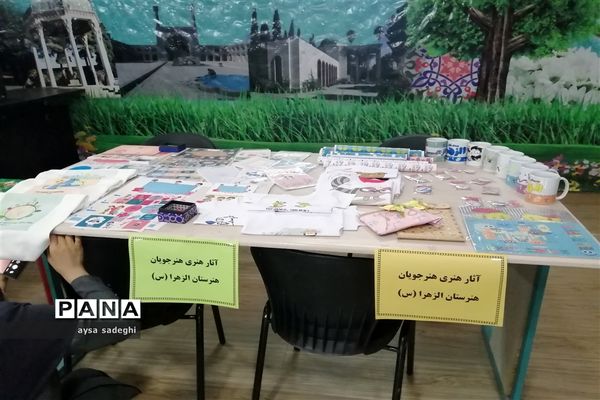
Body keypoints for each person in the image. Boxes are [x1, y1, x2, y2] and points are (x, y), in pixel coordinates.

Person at [0, 235, 140, 400]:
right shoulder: (16, 321)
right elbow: (123, 321)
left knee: (85, 378)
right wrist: (74, 271)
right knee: (99, 386)